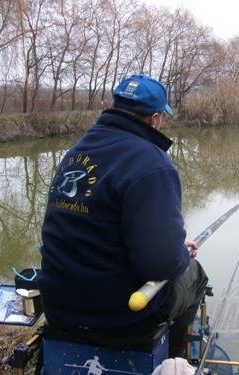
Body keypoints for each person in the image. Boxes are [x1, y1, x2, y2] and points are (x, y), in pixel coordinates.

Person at [39, 74, 208, 358]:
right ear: (155, 119)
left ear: (114, 106)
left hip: (58, 306)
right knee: (196, 276)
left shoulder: (76, 152)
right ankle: (176, 359)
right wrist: (181, 255)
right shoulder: (153, 165)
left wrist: (173, 250)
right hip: (120, 317)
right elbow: (161, 265)